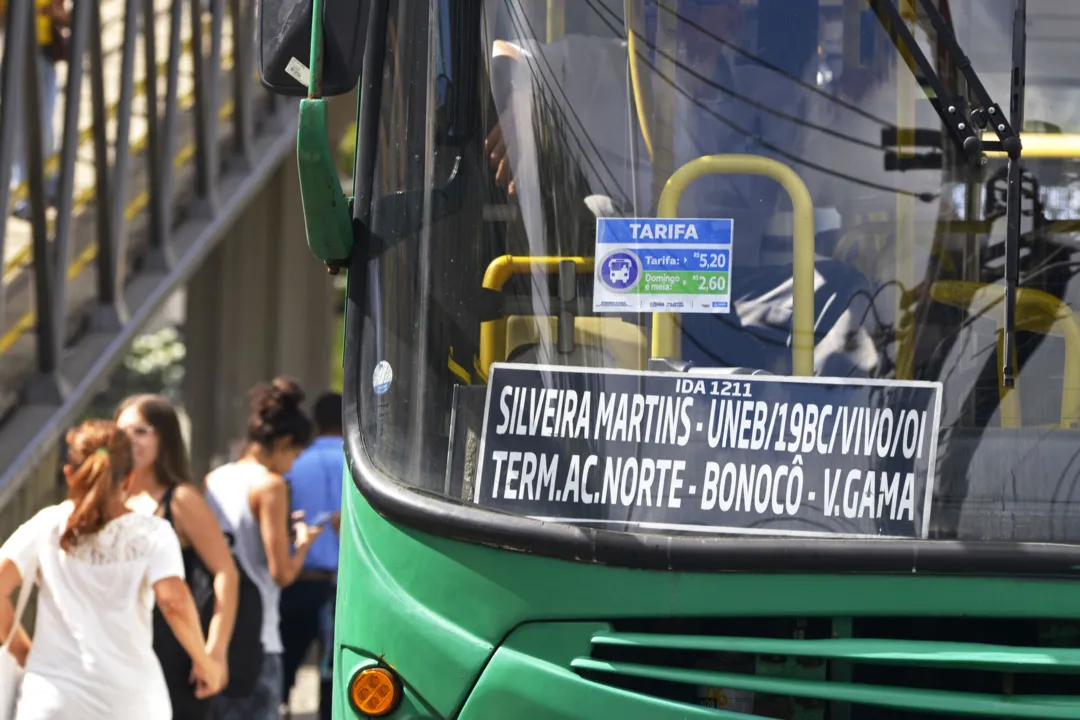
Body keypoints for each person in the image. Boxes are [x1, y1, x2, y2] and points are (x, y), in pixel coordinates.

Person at [0, 420, 226, 720]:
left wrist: (23, 650)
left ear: (69, 474)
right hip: (130, 701)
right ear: (129, 478)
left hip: (51, 699)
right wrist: (206, 663)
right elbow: (174, 602)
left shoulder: (48, 525)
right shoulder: (153, 534)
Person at [205, 377, 323, 720]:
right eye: (296, 454)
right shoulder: (270, 485)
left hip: (216, 627)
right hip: (259, 636)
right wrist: (301, 545)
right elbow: (281, 573)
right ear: (284, 442)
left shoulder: (216, 478)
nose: (293, 464)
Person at [116, 394, 240, 720]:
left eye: (141, 431)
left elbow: (225, 572)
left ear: (164, 436)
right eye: (122, 431)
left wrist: (213, 650)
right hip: (118, 652)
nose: (130, 440)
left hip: (174, 652)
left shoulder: (181, 499)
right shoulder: (109, 499)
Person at [279, 392, 343, 718]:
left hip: (299, 578)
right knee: (335, 670)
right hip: (345, 587)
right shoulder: (364, 466)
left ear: (316, 422)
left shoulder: (293, 463)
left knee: (286, 664)